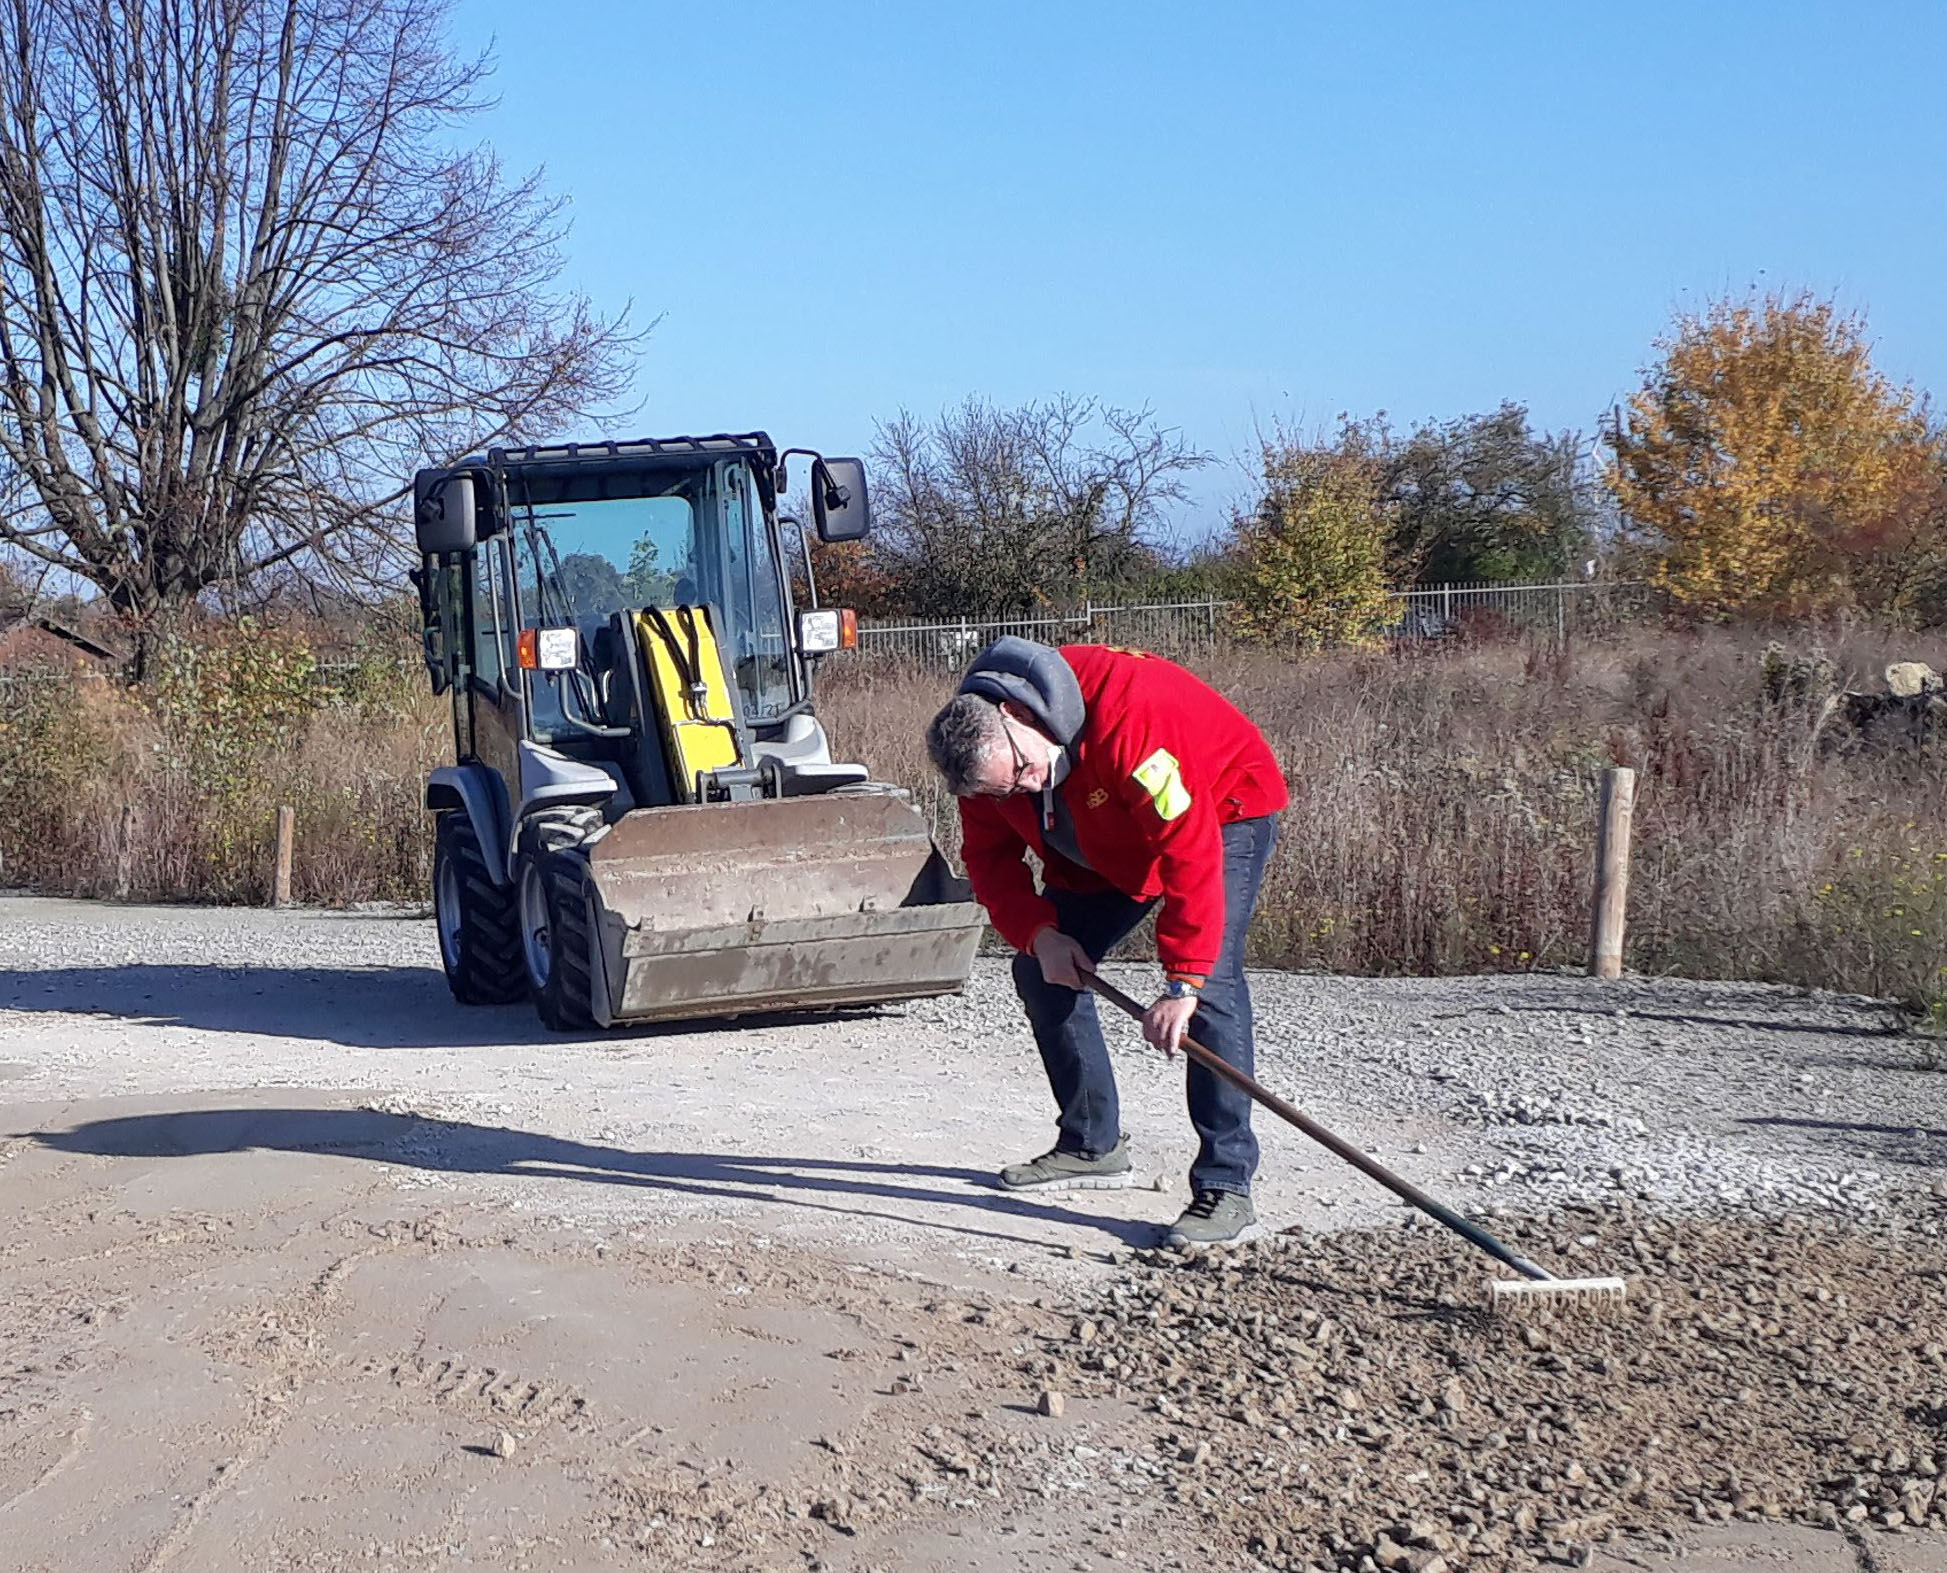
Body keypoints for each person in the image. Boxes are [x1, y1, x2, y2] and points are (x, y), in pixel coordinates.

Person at [925, 637, 1288, 1247]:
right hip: (1100, 838)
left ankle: (1226, 1184)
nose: (1020, 789)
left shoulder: (1131, 716)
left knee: (1213, 988)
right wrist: (1040, 935)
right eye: (1002, 790)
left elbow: (1187, 845)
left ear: (1019, 716)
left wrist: (1184, 981)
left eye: (1019, 773)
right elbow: (988, 859)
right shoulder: (988, 768)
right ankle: (1092, 1144)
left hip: (1219, 815)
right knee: (1040, 972)